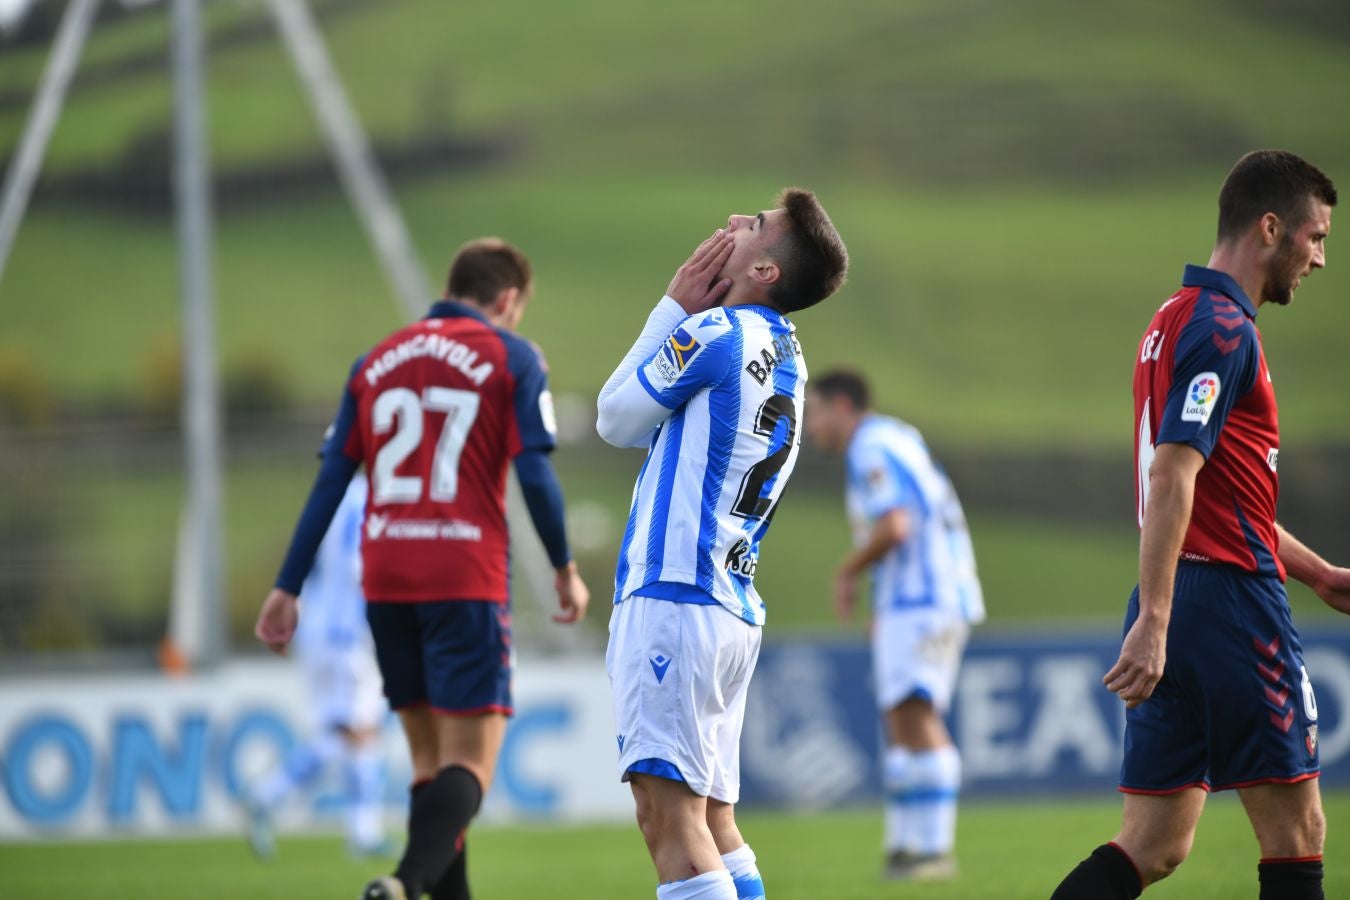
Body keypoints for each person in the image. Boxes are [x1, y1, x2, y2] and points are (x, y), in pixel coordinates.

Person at [254, 238, 590, 900]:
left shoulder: (374, 362)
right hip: (463, 573)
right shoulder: (512, 357)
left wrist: (286, 586)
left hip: (384, 578)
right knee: (470, 763)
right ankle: (405, 884)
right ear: (508, 300)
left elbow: (330, 481)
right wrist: (563, 565)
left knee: (428, 763)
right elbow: (535, 471)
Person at [1052, 150, 1347, 900]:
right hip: (1227, 608)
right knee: (1298, 833)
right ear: (1270, 227)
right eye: (1315, 237)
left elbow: (1216, 496)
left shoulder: (1171, 318)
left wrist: (1317, 574)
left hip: (1176, 597)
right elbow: (1173, 473)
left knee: (1152, 844)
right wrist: (1155, 618)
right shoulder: (1224, 331)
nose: (1319, 258)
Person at [596, 188, 849, 900]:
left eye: (757, 224)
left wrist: (672, 308)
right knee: (713, 818)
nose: (737, 221)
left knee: (669, 821)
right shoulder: (789, 356)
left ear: (766, 271)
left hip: (677, 595)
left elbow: (616, 417)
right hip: (729, 605)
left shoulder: (717, 333)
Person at [802, 369, 984, 881]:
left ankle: (932, 851)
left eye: (814, 412)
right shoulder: (898, 436)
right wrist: (881, 607)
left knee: (916, 718)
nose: (810, 426)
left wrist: (848, 571)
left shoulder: (870, 447)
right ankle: (906, 848)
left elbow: (896, 525)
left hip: (924, 597)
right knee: (902, 722)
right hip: (922, 597)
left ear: (841, 406)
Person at [245, 472, 390, 861]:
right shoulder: (372, 500)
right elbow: (365, 567)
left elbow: (305, 561)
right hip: (350, 632)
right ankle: (362, 832)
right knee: (361, 730)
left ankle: (268, 799)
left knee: (342, 732)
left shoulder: (328, 499)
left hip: (316, 628)